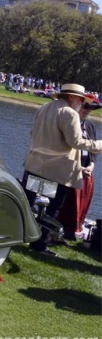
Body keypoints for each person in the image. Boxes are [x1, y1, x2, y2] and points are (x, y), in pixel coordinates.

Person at [22, 84, 102, 255]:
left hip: (35, 164)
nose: (82, 103)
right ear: (72, 97)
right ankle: (39, 244)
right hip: (56, 171)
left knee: (28, 203)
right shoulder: (70, 113)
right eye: (81, 99)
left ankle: (19, 234)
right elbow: (76, 142)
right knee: (51, 208)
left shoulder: (44, 108)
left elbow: (32, 133)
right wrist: (99, 145)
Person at [57, 94, 100, 240]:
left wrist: (92, 165)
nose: (88, 110)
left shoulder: (90, 125)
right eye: (86, 106)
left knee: (82, 202)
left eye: (91, 108)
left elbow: (93, 149)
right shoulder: (70, 122)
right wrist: (79, 168)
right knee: (67, 203)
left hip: (86, 171)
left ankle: (73, 230)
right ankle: (57, 231)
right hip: (71, 169)